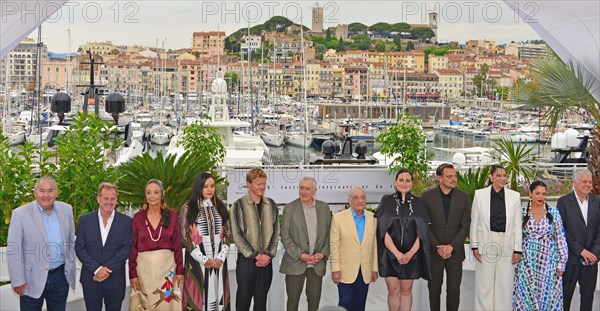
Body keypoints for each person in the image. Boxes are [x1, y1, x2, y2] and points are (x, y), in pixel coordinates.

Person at [7, 176, 76, 310]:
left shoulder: (66, 209)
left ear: (56, 192)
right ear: (35, 192)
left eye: (50, 191)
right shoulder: (20, 214)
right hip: (30, 279)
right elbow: (14, 250)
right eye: (41, 190)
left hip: (60, 277)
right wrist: (17, 280)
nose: (46, 195)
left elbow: (70, 241)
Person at [375, 169, 431, 311]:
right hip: (389, 254)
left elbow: (423, 232)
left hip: (411, 255)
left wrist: (410, 253)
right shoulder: (386, 200)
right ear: (395, 182)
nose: (404, 183)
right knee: (393, 290)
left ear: (412, 183)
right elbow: (382, 230)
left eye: (407, 180)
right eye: (401, 180)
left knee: (406, 290)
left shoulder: (419, 202)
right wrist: (397, 253)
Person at [470, 164, 522, 310]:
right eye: (498, 175)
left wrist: (517, 250)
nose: (502, 178)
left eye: (504, 175)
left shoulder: (515, 196)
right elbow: (474, 221)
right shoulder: (479, 194)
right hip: (485, 243)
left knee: (504, 286)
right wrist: (474, 246)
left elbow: (518, 224)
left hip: (507, 244)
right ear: (491, 177)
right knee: (484, 285)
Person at [75, 182, 133, 311]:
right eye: (106, 198)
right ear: (98, 198)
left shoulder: (126, 222)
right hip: (91, 278)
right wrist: (97, 269)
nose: (109, 202)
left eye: (113, 198)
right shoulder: (85, 220)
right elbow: (80, 248)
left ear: (116, 200)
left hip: (115, 281)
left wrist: (105, 270)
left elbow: (127, 249)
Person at [129, 179, 184, 310]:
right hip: (144, 272)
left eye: (155, 192)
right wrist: (133, 274)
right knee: (145, 304)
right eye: (148, 193)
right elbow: (133, 248)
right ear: (145, 195)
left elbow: (177, 245)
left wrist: (180, 271)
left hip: (168, 273)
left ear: (162, 194)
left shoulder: (172, 216)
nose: (152, 196)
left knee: (166, 302)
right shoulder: (138, 218)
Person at [422, 164, 470, 311]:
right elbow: (424, 225)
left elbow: (466, 225)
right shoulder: (427, 197)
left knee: (454, 292)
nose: (454, 179)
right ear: (439, 178)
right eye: (449, 176)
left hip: (455, 253)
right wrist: (438, 246)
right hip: (434, 252)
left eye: (455, 176)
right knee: (434, 291)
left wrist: (451, 246)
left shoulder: (463, 197)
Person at [513, 180, 568, 310]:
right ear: (530, 193)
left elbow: (561, 238)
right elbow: (515, 237)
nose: (541, 197)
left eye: (543, 194)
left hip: (548, 261)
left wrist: (562, 263)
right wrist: (515, 260)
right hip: (526, 261)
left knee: (547, 295)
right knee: (525, 295)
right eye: (537, 193)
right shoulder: (521, 213)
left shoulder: (554, 213)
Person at [180, 172, 232, 311]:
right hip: (197, 263)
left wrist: (220, 258)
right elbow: (185, 238)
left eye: (212, 186)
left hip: (219, 263)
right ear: (198, 188)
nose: (210, 189)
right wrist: (204, 259)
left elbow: (228, 235)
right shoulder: (188, 208)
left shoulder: (221, 207)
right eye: (205, 186)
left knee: (219, 298)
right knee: (199, 300)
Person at [231, 167, 280, 311]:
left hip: (266, 262)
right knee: (243, 302)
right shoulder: (238, 205)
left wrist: (267, 255)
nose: (262, 187)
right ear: (249, 184)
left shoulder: (271, 205)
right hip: (246, 262)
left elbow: (276, 232)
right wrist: (255, 256)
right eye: (258, 184)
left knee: (261, 304)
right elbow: (237, 235)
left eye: (264, 183)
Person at [280, 177, 332, 311]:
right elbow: (285, 236)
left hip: (317, 264)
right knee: (292, 302)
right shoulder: (290, 208)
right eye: (301, 188)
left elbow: (329, 235)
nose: (303, 191)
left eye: (307, 188)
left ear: (314, 191)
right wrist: (300, 255)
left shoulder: (324, 208)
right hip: (295, 263)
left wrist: (322, 254)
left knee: (314, 302)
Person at [557, 169, 600, 311]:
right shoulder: (563, 202)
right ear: (575, 183)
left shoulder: (597, 201)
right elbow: (561, 231)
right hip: (571, 259)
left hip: (591, 260)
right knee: (565, 296)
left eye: (589, 182)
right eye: (584, 181)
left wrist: (593, 253)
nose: (588, 185)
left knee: (588, 298)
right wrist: (581, 251)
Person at [330, 187, 378, 311]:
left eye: (363, 197)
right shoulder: (338, 218)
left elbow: (374, 245)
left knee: (360, 306)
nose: (360, 201)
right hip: (345, 271)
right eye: (356, 198)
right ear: (349, 201)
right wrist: (335, 269)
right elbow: (334, 245)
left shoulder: (373, 218)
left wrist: (374, 268)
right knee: (345, 305)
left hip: (365, 271)